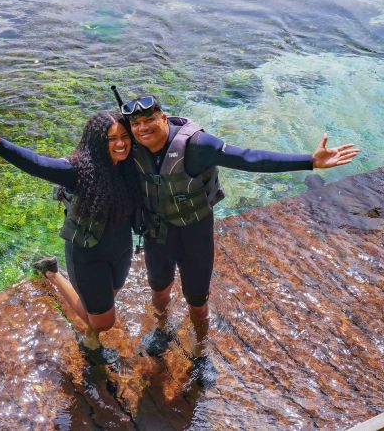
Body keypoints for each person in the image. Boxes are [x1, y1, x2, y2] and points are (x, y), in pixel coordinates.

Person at [120, 94, 359, 386]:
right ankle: (162, 329)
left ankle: (200, 351)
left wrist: (309, 161)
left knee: (197, 301)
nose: (143, 128)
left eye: (149, 120)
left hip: (195, 233)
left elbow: (249, 158)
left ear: (163, 118)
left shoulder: (197, 145)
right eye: (137, 123)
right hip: (158, 233)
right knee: (158, 291)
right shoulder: (129, 147)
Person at [0, 112, 144, 364]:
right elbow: (37, 164)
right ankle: (52, 272)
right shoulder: (77, 171)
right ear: (97, 142)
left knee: (105, 301)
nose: (120, 143)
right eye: (112, 139)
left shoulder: (130, 164)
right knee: (103, 320)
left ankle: (91, 333)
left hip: (121, 250)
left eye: (124, 137)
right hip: (88, 255)